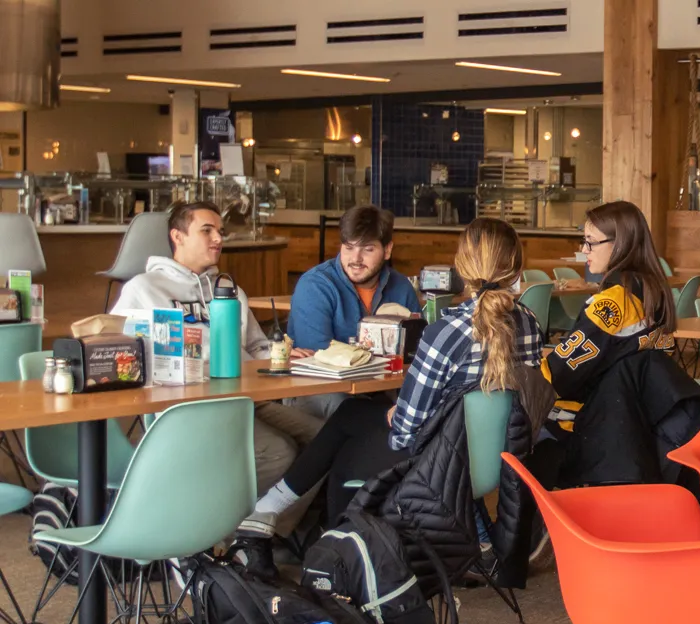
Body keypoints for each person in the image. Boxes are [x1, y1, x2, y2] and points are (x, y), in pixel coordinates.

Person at [234, 217, 544, 576]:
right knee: (353, 416)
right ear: (517, 267)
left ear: (460, 267)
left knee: (350, 429)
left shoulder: (445, 332)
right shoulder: (530, 325)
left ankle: (320, 550)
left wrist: (397, 414)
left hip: (440, 467)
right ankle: (474, 538)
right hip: (498, 460)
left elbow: (406, 434)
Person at [111, 201, 325, 535]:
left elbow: (255, 346)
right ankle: (216, 530)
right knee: (279, 452)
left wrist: (283, 353)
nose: (218, 239)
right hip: (193, 407)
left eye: (220, 232)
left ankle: (261, 531)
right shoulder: (144, 288)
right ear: (177, 236)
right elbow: (121, 353)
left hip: (248, 398)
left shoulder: (229, 290)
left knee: (325, 437)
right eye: (206, 230)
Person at [538, 200, 700, 489]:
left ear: (620, 244)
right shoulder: (653, 292)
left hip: (594, 432)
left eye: (591, 243)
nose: (584, 250)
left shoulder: (614, 302)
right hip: (641, 434)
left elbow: (557, 377)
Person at [287, 205, 422, 417]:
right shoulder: (315, 285)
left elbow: (417, 352)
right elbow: (319, 356)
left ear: (387, 250)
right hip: (320, 389)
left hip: (382, 392)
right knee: (352, 410)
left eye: (367, 249)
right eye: (348, 248)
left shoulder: (401, 287)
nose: (355, 259)